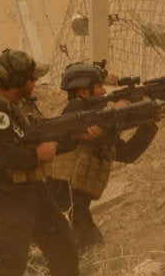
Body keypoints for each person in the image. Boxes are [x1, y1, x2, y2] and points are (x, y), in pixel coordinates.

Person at [0, 49, 95, 276]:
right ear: (17, 81)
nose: (35, 83)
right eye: (31, 78)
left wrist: (75, 137)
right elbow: (9, 155)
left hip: (34, 192)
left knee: (65, 253)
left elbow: (47, 142)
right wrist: (37, 155)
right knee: (11, 266)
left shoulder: (22, 107)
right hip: (9, 198)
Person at [47, 62, 158, 250]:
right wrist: (116, 111)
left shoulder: (96, 118)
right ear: (83, 92)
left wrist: (149, 123)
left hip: (76, 204)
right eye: (98, 86)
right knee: (67, 251)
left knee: (93, 248)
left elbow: (127, 153)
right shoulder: (76, 109)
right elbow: (74, 131)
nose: (103, 91)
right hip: (62, 198)